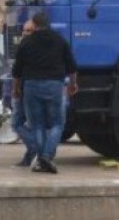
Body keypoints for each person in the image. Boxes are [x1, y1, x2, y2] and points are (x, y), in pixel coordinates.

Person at [11, 12, 78, 174]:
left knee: (37, 125)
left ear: (34, 24)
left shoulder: (26, 42)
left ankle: (42, 159)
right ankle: (46, 157)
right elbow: (72, 67)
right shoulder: (59, 40)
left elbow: (17, 71)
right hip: (54, 85)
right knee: (57, 124)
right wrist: (73, 85)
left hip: (32, 86)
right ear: (48, 24)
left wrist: (16, 88)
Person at [10, 18, 38, 168]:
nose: (24, 33)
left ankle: (34, 147)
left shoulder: (28, 47)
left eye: (28, 31)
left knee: (18, 122)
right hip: (24, 89)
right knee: (20, 123)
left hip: (26, 90)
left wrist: (15, 89)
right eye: (24, 30)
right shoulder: (26, 46)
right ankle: (31, 153)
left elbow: (17, 72)